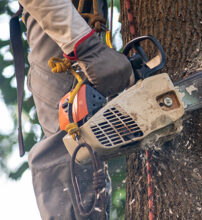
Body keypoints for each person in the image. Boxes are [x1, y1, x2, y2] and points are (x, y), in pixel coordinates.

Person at [17, 0, 135, 219]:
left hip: (82, 18)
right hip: (56, 14)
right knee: (69, 145)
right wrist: (86, 47)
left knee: (84, 141)